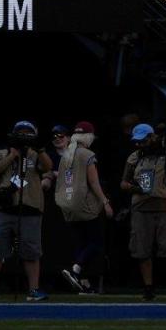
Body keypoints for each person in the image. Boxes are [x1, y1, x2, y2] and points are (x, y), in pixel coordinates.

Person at [0, 121, 54, 301]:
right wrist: (12, 155)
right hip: (4, 207)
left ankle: (34, 290)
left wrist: (39, 149)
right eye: (21, 133)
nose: (24, 137)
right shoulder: (1, 152)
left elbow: (48, 167)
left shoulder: (36, 154)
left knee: (31, 251)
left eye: (28, 134)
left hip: (31, 207)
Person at [121, 122, 166, 301]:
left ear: (151, 137)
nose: (139, 144)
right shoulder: (134, 157)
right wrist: (136, 188)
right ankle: (148, 288)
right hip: (141, 207)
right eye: (137, 141)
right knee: (142, 250)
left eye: (143, 140)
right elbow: (123, 183)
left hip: (165, 205)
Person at [54, 122, 113, 294]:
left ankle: (84, 283)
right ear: (88, 137)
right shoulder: (87, 154)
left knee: (82, 243)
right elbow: (93, 182)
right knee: (95, 242)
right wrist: (105, 202)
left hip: (68, 203)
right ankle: (76, 269)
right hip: (84, 204)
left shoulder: (66, 154)